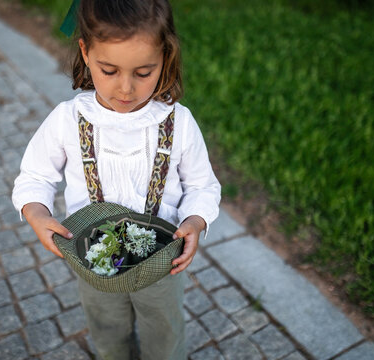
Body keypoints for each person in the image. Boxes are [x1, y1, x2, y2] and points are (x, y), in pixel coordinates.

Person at [12, 0, 221, 358]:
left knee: (164, 329)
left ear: (165, 58)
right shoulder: (68, 119)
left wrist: (195, 220)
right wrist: (36, 213)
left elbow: (203, 185)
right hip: (95, 263)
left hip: (161, 264)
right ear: (86, 52)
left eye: (143, 73)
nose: (126, 89)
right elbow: (34, 176)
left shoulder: (179, 123)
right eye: (109, 70)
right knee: (107, 328)